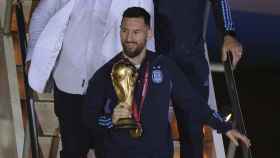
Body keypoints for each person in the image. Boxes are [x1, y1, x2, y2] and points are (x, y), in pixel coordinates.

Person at [83, 7, 250, 158]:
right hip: (118, 153)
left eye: (136, 32)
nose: (129, 38)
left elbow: (192, 102)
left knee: (191, 133)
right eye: (125, 31)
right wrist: (110, 119)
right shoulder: (105, 74)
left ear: (148, 33)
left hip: (158, 153)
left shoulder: (164, 66)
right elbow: (88, 117)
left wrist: (224, 126)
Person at [26, 0, 154, 157]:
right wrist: (32, 54)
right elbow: (41, 14)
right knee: (72, 150)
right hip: (69, 82)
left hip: (111, 90)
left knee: (110, 150)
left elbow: (147, 41)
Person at [153, 1, 243, 157]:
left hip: (192, 62)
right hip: (158, 58)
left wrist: (229, 33)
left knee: (193, 132)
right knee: (154, 130)